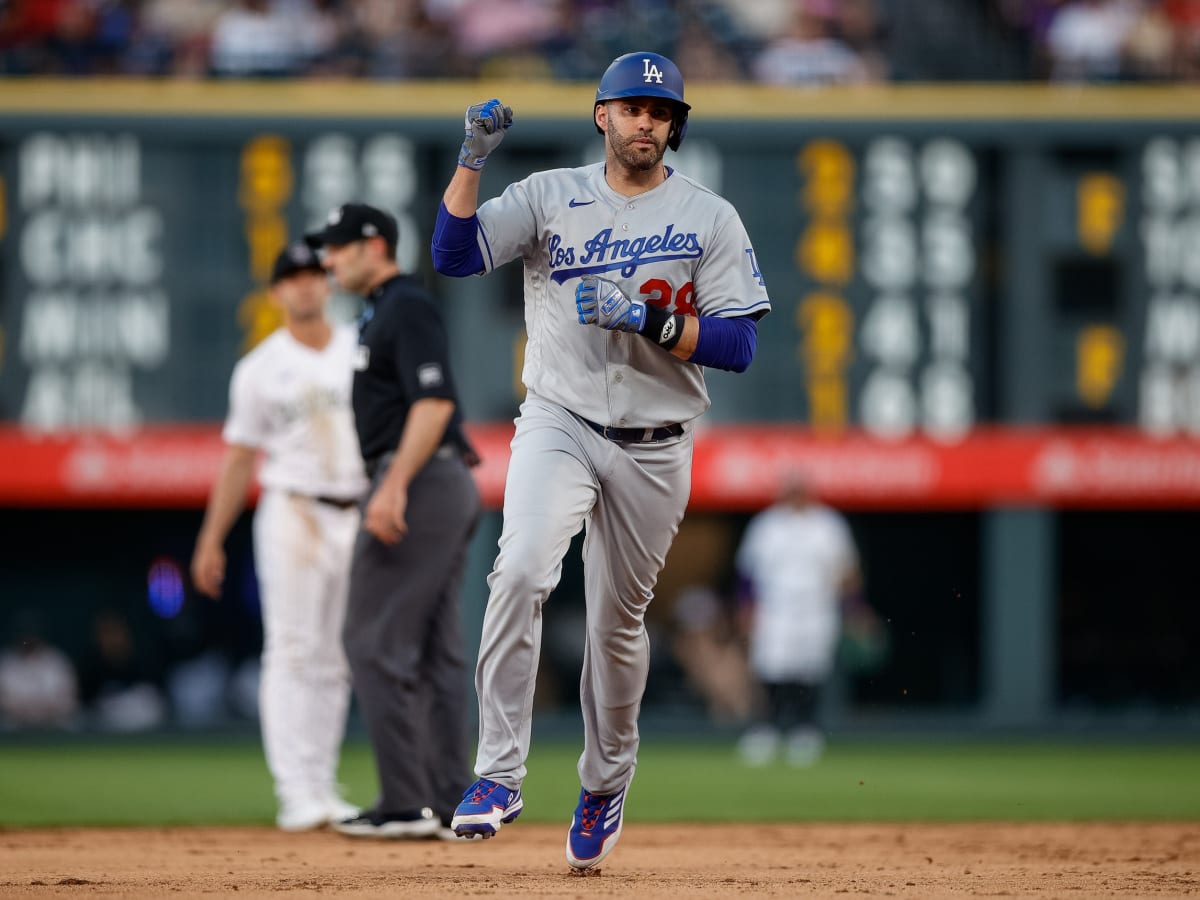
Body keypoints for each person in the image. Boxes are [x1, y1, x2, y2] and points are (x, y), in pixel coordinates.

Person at [431, 51, 771, 869]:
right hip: (561, 420)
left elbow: (741, 343)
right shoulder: (550, 195)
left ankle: (605, 783)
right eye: (630, 108)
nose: (644, 122)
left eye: (659, 112)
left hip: (657, 444)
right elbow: (454, 254)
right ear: (602, 116)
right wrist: (471, 162)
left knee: (617, 627)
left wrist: (651, 320)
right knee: (518, 574)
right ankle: (498, 774)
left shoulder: (708, 216)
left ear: (674, 126)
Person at [304, 202, 482, 841]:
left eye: (338, 247)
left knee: (372, 638)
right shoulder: (383, 310)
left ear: (374, 245)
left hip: (421, 476)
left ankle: (407, 803)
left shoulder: (405, 305)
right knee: (435, 650)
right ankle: (451, 800)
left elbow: (434, 403)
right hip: (437, 479)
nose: (327, 260)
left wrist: (393, 486)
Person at [191, 240, 365, 831]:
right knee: (292, 649)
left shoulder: (359, 348)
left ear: (328, 283)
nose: (305, 285)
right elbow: (239, 459)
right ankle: (296, 792)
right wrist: (211, 538)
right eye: (292, 277)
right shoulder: (260, 367)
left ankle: (322, 783)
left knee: (337, 655)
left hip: (356, 509)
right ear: (276, 292)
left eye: (314, 274)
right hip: (292, 509)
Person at [733, 473, 864, 767]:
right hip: (776, 606)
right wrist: (746, 608)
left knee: (810, 668)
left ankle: (805, 731)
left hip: (817, 606)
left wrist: (854, 608)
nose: (795, 496)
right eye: (791, 491)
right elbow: (747, 573)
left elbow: (847, 571)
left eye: (800, 490)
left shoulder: (828, 524)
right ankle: (765, 729)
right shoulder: (767, 524)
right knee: (770, 667)